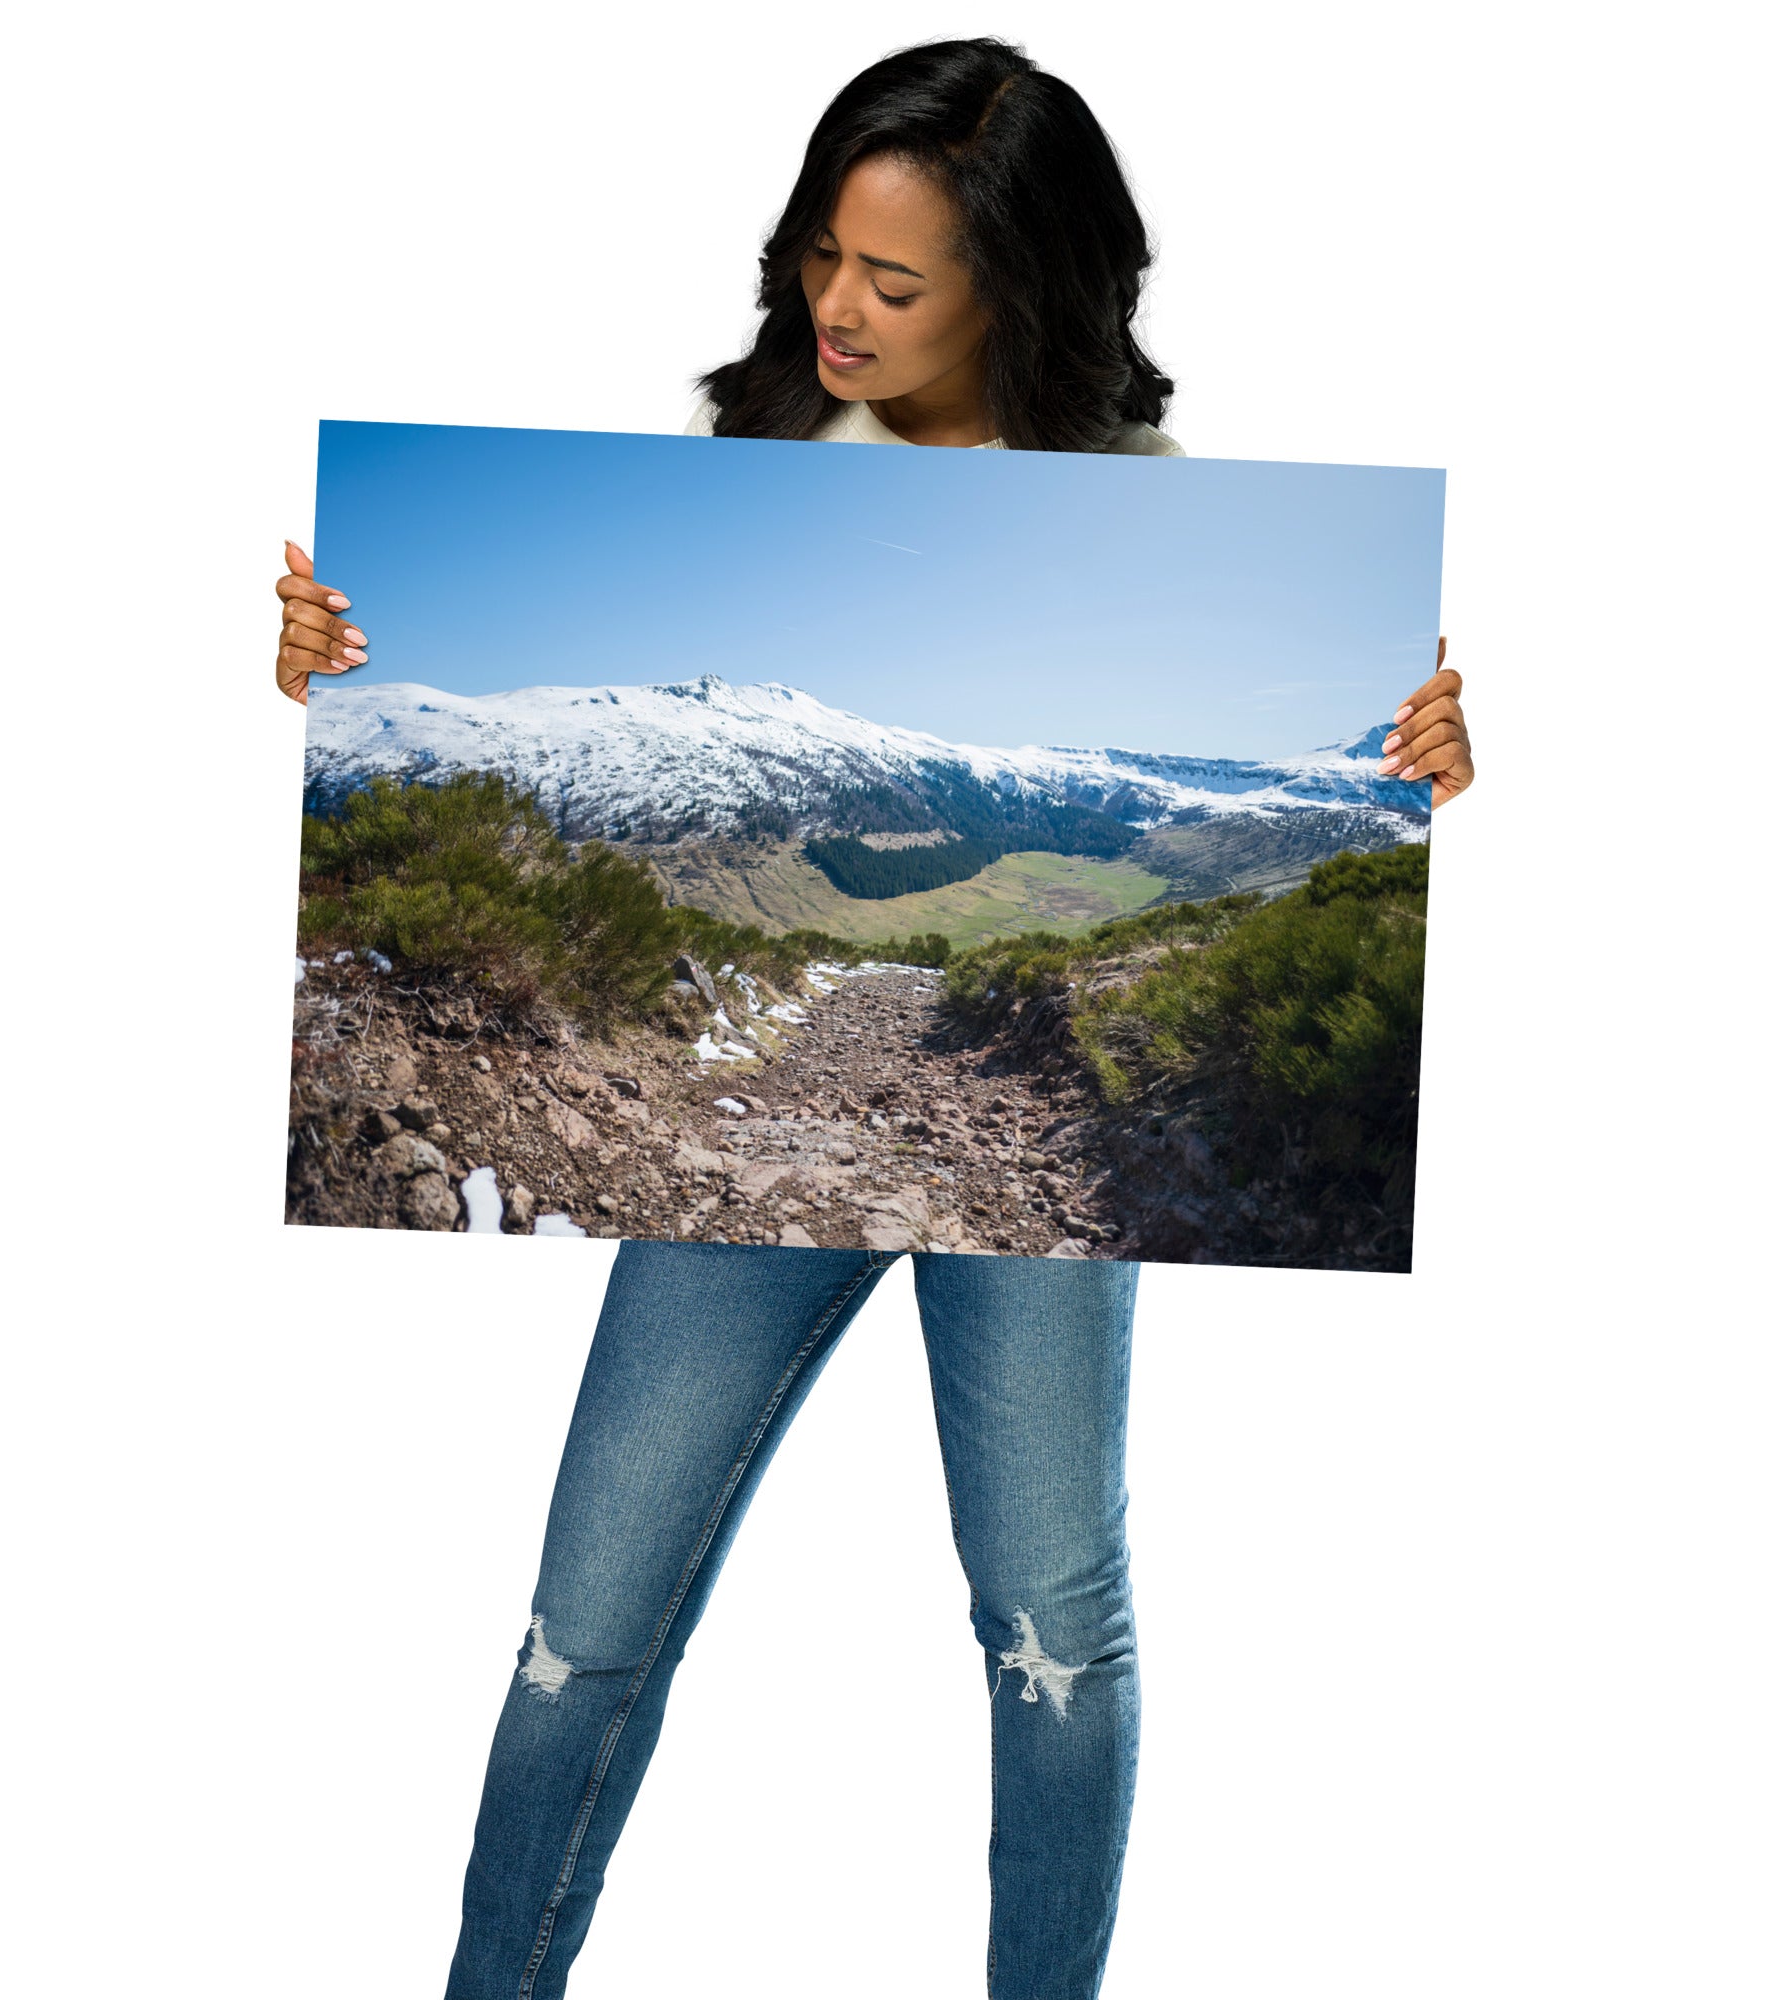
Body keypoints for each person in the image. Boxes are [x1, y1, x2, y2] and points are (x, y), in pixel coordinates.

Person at [272, 39, 1475, 2000]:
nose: (838, 307)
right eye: (825, 254)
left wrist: (1418, 768)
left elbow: (1328, 793)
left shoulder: (1149, 506)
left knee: (1049, 1616)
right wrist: (320, 673)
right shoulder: (743, 456)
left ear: (1024, 284)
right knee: (587, 1607)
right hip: (771, 1130)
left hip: (1030, 1138)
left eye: (894, 282)